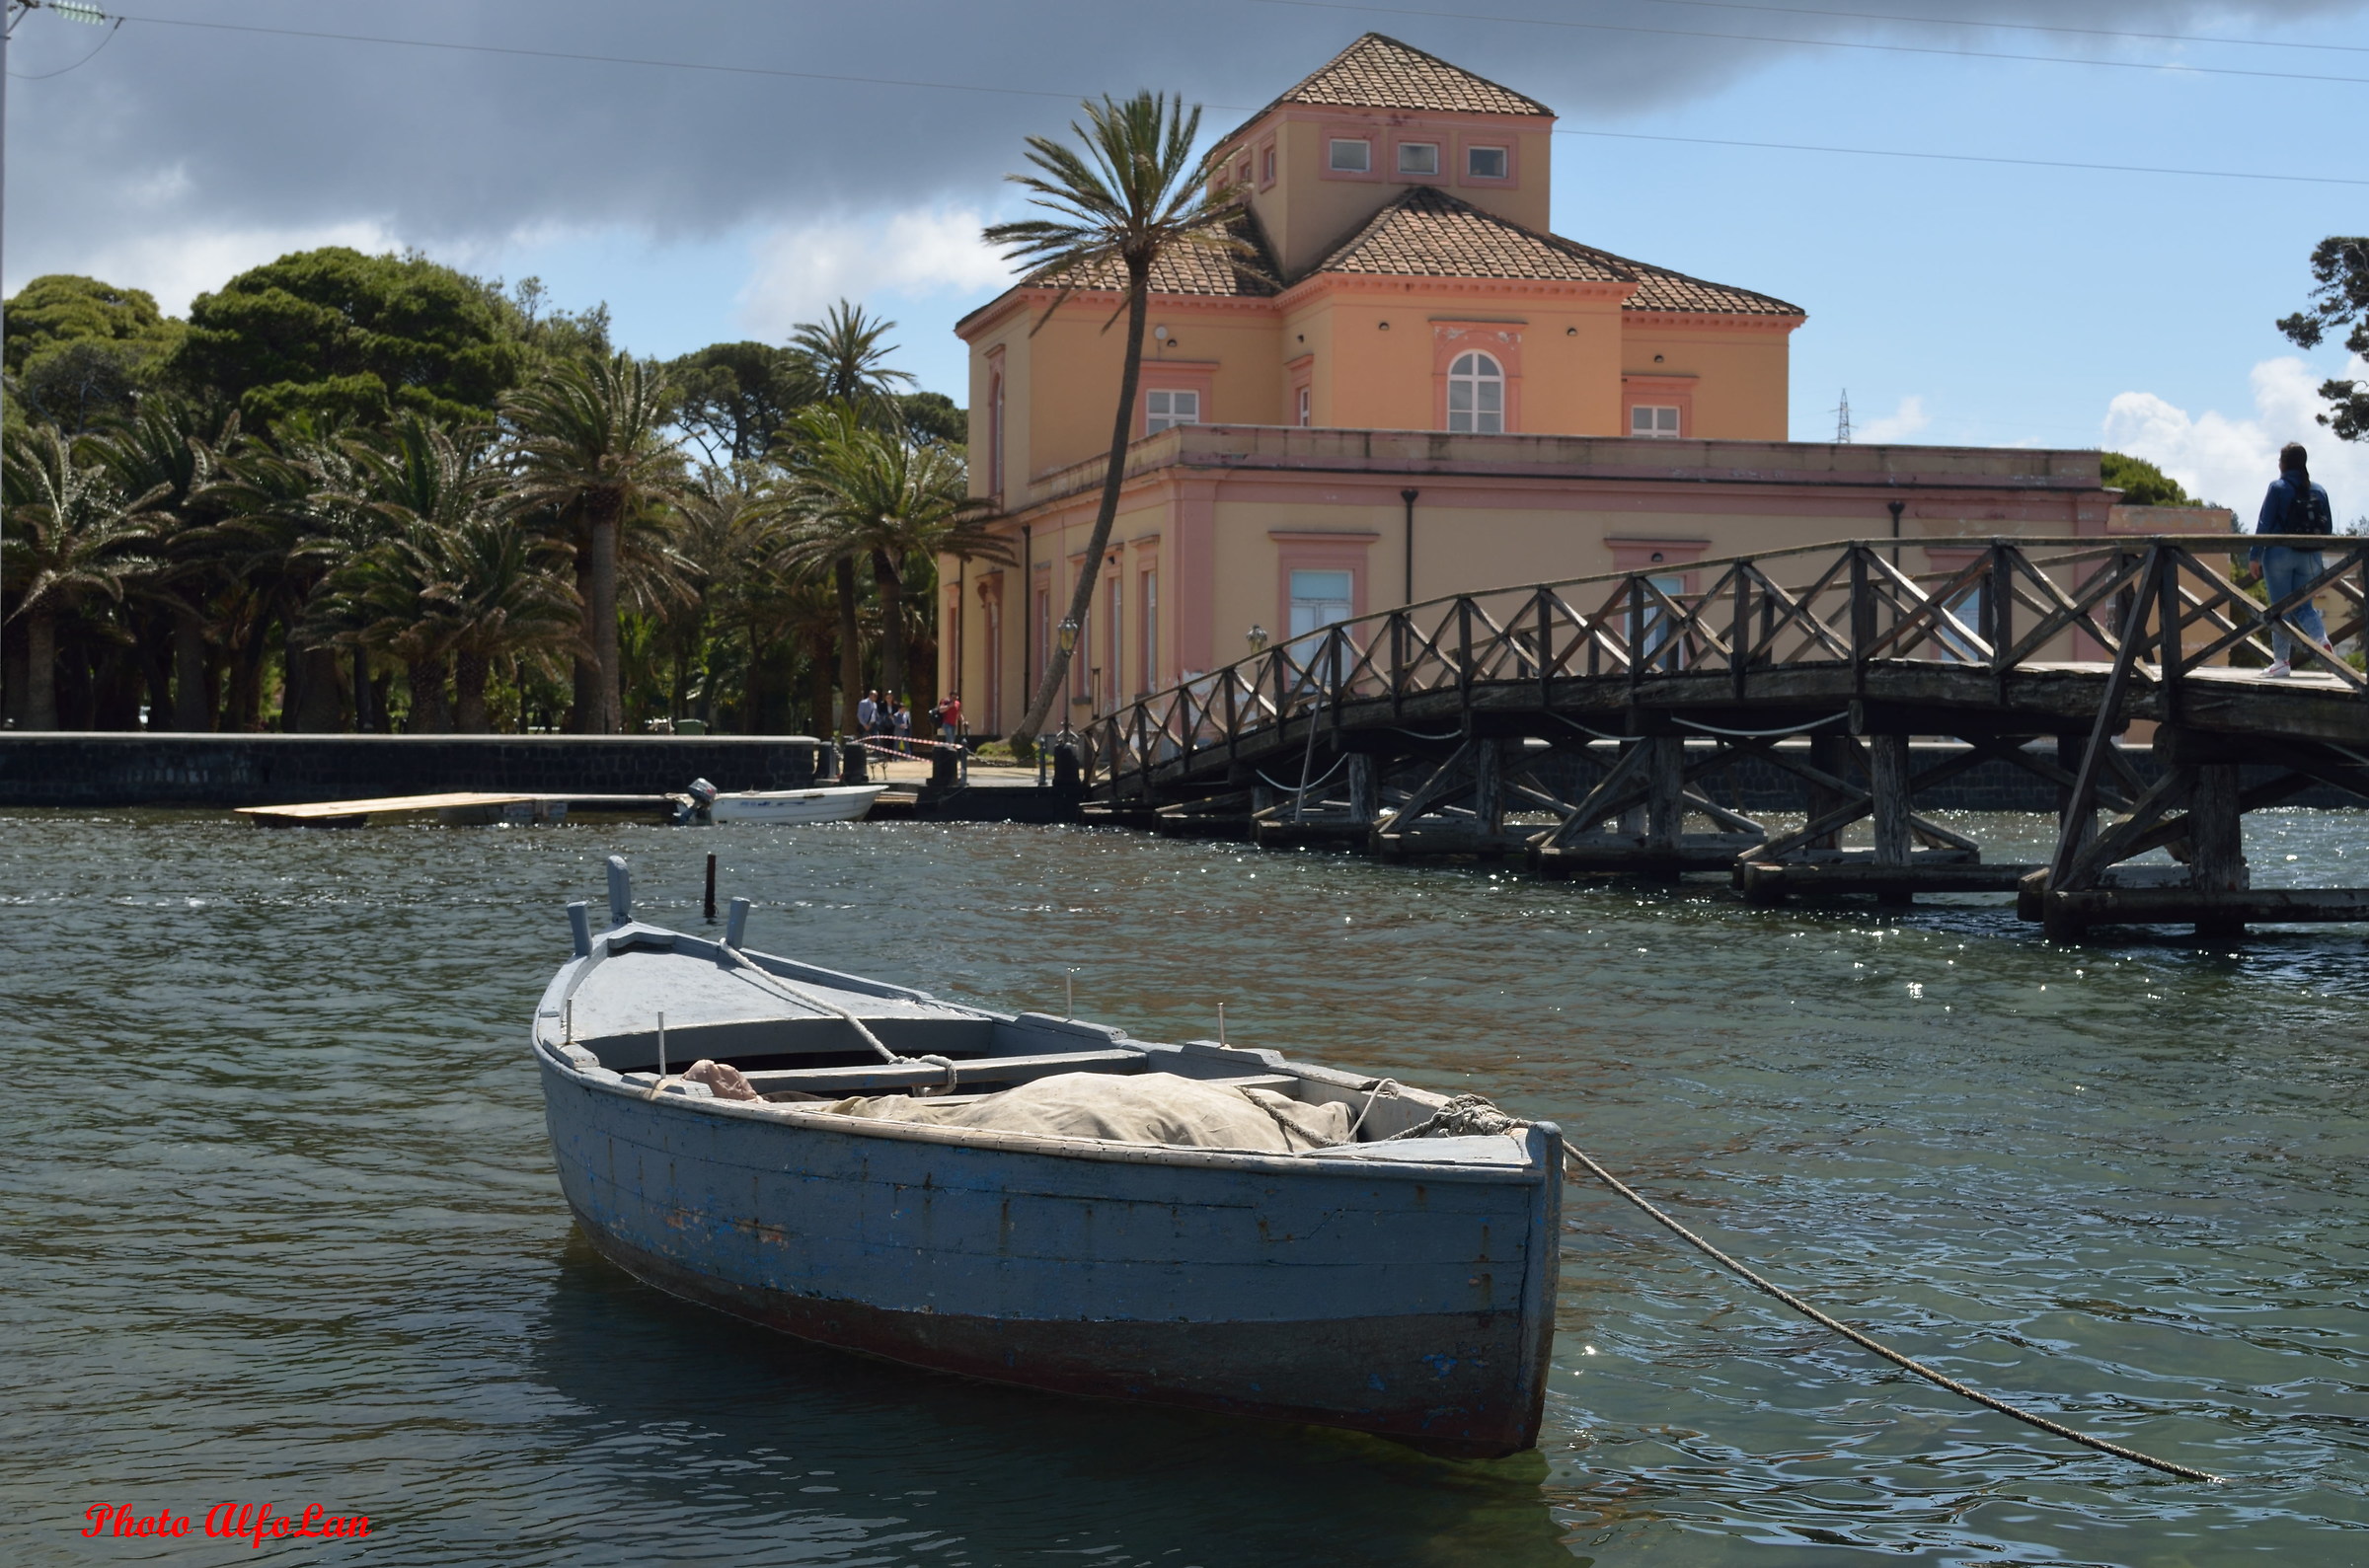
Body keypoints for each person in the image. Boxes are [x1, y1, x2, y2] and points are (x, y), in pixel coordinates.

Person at [2250, 442, 2335, 677]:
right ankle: (2321, 640)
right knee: (2304, 607)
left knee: (2279, 610)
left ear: (2284, 463)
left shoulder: (2277, 487)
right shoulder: (2319, 490)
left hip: (2279, 555)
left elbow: (2264, 524)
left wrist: (2254, 555)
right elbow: (2327, 527)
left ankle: (2281, 662)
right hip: (2310, 556)